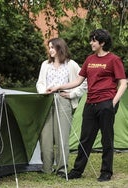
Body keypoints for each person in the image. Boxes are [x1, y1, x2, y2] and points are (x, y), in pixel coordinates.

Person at [47, 29, 127, 181]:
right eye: (91, 40)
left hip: (106, 103)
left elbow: (123, 83)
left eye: (94, 40)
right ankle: (77, 171)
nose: (91, 42)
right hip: (90, 103)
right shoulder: (89, 59)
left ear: (102, 43)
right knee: (85, 139)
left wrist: (113, 102)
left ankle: (106, 172)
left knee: (106, 139)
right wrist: (58, 87)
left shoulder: (114, 60)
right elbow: (78, 81)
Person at [36, 38, 86, 177]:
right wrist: (43, 92)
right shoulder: (45, 64)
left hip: (63, 101)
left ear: (60, 48)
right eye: (49, 47)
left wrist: (72, 94)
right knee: (45, 137)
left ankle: (61, 169)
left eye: (53, 47)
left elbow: (84, 81)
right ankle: (46, 168)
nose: (50, 50)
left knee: (62, 137)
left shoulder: (71, 64)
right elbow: (40, 83)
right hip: (46, 101)